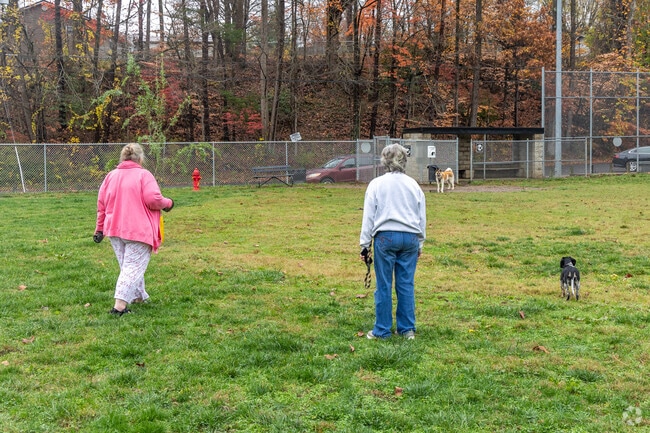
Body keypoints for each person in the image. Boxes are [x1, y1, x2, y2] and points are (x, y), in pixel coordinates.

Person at [94, 143, 174, 316]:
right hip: (138, 230)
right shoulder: (144, 175)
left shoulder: (111, 176)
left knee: (128, 266)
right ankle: (119, 307)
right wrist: (168, 203)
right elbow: (153, 199)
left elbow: (101, 204)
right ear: (140, 158)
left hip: (114, 229)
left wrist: (99, 229)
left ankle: (138, 296)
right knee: (132, 267)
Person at [360, 144, 426, 339]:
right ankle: (407, 329)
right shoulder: (414, 185)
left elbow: (368, 217)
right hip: (410, 237)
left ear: (384, 161)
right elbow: (421, 216)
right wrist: (420, 242)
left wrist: (365, 245)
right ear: (404, 160)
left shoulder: (376, 184)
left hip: (386, 236)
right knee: (406, 284)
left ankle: (382, 330)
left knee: (384, 284)